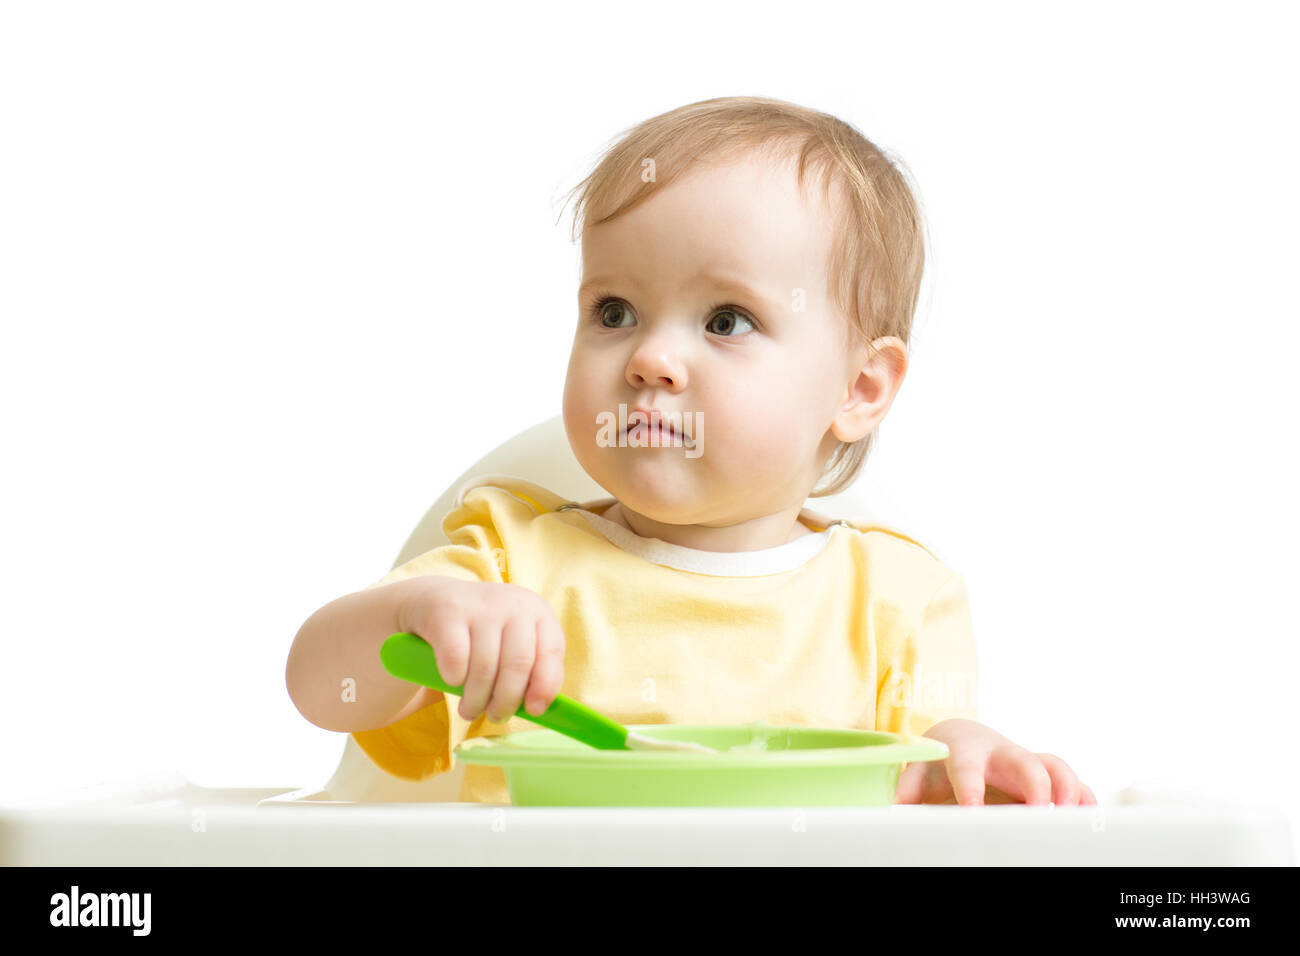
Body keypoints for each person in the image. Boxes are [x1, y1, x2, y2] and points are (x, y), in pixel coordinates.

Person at [285, 96, 1095, 807]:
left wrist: (967, 757)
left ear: (860, 388)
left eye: (725, 320)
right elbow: (324, 687)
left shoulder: (897, 602)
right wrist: (421, 617)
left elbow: (927, 787)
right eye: (614, 311)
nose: (650, 359)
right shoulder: (512, 561)